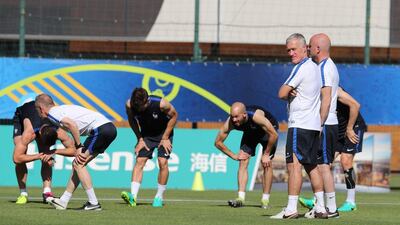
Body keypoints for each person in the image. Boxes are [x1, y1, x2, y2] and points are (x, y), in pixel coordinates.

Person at [271, 33, 327, 219]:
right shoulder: (316, 68)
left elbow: (281, 93)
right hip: (313, 125)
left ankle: (291, 208)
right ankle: (321, 207)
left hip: (299, 124)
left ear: (305, 49)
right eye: (288, 50)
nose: (291, 53)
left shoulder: (301, 68)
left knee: (294, 166)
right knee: (312, 166)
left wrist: (288, 92)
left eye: (294, 49)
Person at [35, 93, 117, 210]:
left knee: (79, 164)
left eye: (36, 110)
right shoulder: (60, 110)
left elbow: (72, 125)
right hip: (108, 128)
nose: (38, 113)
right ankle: (64, 201)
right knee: (77, 164)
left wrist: (79, 146)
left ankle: (93, 203)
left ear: (41, 109)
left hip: (100, 129)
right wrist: (56, 151)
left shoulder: (52, 113)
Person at [299, 87, 366, 212]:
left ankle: (351, 202)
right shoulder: (313, 89)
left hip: (353, 126)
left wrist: (350, 128)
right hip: (338, 129)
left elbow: (356, 105)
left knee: (345, 160)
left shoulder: (335, 89)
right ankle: (317, 200)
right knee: (324, 164)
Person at [298, 33, 340, 218]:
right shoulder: (329, 66)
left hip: (326, 122)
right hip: (330, 122)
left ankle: (330, 208)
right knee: (322, 165)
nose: (307, 48)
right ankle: (326, 206)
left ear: (317, 49)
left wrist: (319, 124)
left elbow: (326, 98)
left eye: (310, 46)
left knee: (323, 166)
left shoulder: (324, 68)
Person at [121, 87, 177, 208]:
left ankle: (159, 197)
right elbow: (131, 120)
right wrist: (140, 139)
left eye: (142, 107)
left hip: (164, 133)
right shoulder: (130, 105)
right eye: (137, 107)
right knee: (140, 161)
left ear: (147, 101)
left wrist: (165, 137)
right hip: (146, 135)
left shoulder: (162, 104)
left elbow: (174, 116)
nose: (139, 109)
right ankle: (133, 197)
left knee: (162, 162)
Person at [214, 102, 278, 208]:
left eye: (236, 117)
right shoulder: (230, 122)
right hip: (250, 133)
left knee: (267, 163)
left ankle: (265, 200)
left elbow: (274, 134)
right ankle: (240, 198)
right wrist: (233, 155)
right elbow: (218, 142)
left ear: (244, 115)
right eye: (232, 116)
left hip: (268, 132)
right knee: (243, 161)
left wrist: (266, 154)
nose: (234, 120)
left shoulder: (256, 117)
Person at [12, 100, 75, 204]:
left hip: (40, 125)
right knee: (21, 158)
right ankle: (23, 193)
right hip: (22, 117)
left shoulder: (59, 131)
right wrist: (38, 156)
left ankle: (47, 192)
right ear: (40, 134)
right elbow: (16, 158)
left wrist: (54, 151)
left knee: (47, 155)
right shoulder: (30, 133)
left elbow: (74, 151)